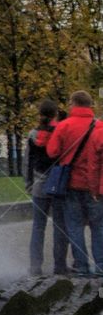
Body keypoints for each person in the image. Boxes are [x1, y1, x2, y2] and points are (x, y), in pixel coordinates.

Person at [46, 91, 103, 276]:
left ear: (74, 104)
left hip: (71, 184)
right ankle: (100, 266)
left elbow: (52, 152)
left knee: (75, 226)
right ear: (89, 106)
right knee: (98, 226)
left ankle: (81, 266)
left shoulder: (65, 126)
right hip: (95, 187)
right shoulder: (99, 127)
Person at [26, 99, 69, 274]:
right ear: (55, 114)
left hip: (38, 184)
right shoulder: (60, 133)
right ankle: (60, 265)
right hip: (58, 185)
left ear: (40, 114)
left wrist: (28, 183)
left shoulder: (32, 135)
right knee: (60, 226)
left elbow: (28, 162)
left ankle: (35, 266)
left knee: (38, 227)